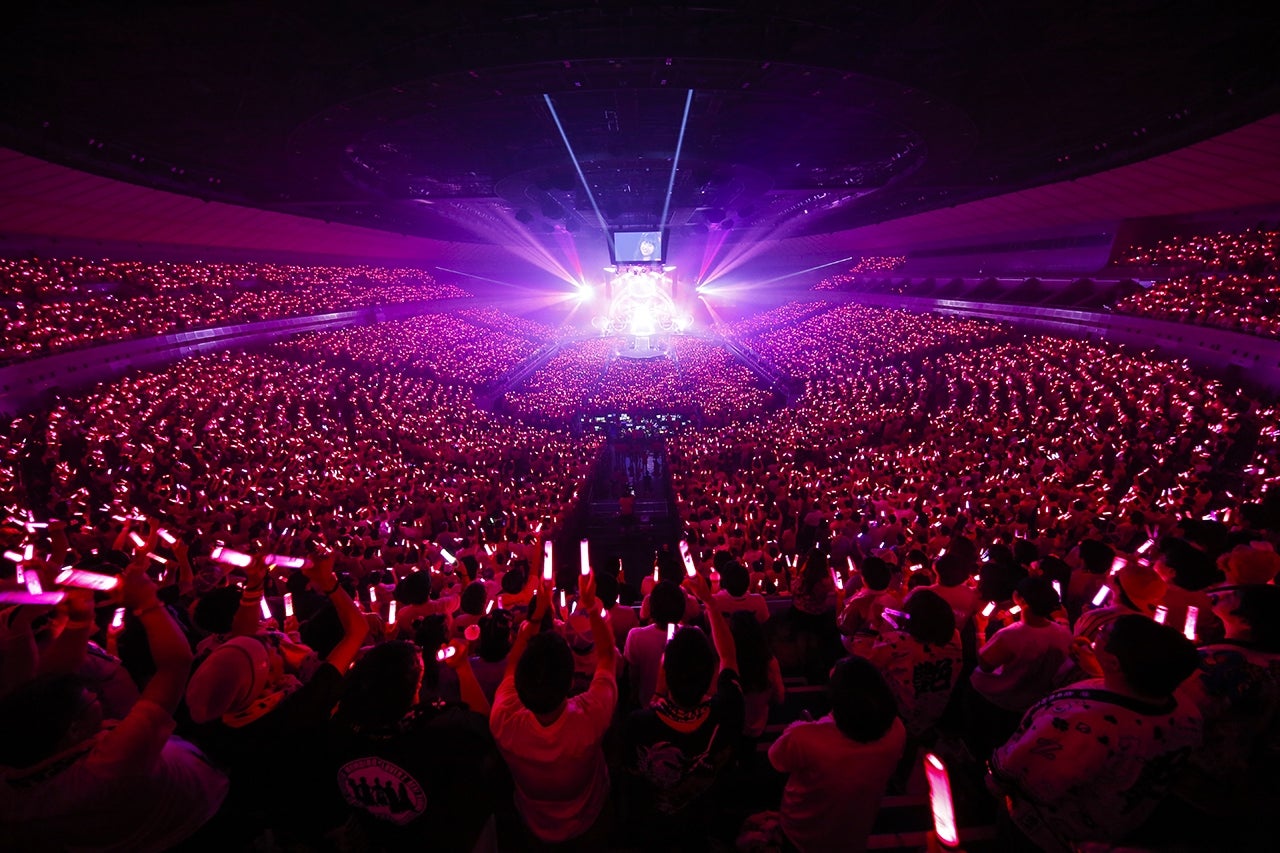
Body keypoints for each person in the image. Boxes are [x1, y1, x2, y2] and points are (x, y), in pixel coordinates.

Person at [0, 562, 229, 852]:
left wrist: (78, 621)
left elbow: (52, 680)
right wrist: (147, 602)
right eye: (92, 699)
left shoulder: (16, 780)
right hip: (194, 816)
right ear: (74, 729)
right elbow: (175, 666)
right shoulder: (108, 765)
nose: (97, 698)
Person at [988, 615, 1203, 850]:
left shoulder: (1081, 722)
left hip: (1044, 831)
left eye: (1103, 632)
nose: (1096, 634)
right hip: (1113, 827)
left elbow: (1022, 770)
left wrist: (996, 780)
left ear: (1114, 662)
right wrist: (1099, 672)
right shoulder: (1186, 710)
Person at [328, 640, 501, 852]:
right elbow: (483, 727)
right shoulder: (441, 733)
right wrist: (463, 667)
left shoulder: (337, 732)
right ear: (414, 689)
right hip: (439, 837)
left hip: (380, 838)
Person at [489, 570, 617, 848]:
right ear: (571, 682)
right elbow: (607, 657)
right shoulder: (590, 717)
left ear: (519, 686)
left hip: (532, 822)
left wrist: (535, 617)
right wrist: (591, 604)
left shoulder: (503, 721)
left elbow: (511, 665)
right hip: (590, 818)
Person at [621, 572, 744, 845]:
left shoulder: (638, 724)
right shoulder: (727, 710)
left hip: (653, 830)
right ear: (710, 674)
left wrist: (656, 693)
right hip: (703, 824)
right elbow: (728, 657)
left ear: (665, 673)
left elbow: (632, 781)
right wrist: (709, 602)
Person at [764, 656, 906, 852]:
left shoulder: (805, 737)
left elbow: (775, 759)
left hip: (800, 834)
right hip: (856, 833)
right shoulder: (897, 730)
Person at [967, 576, 1072, 755]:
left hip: (997, 697)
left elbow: (985, 664)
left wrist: (980, 630)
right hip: (1030, 701)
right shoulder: (1063, 633)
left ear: (1019, 598)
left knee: (982, 737)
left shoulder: (1010, 636)